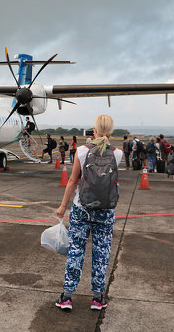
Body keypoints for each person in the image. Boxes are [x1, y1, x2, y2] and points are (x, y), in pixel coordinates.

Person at [55, 115, 123, 311]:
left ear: (93, 130)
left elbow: (73, 181)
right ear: (110, 131)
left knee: (76, 250)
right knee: (101, 253)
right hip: (105, 210)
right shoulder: (117, 154)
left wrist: (62, 206)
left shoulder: (82, 151)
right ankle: (97, 298)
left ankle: (67, 296)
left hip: (81, 208)